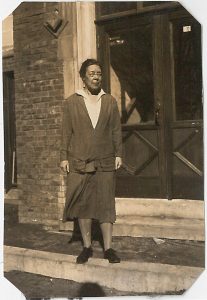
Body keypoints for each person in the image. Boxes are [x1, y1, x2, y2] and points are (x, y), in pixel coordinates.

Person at [60, 58, 122, 264]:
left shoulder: (110, 101)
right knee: (83, 205)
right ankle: (86, 247)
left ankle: (109, 248)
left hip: (105, 160)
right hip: (79, 160)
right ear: (83, 77)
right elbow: (65, 132)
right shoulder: (71, 102)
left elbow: (115, 131)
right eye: (92, 73)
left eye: (99, 73)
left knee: (106, 204)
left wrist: (118, 154)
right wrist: (63, 157)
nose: (96, 77)